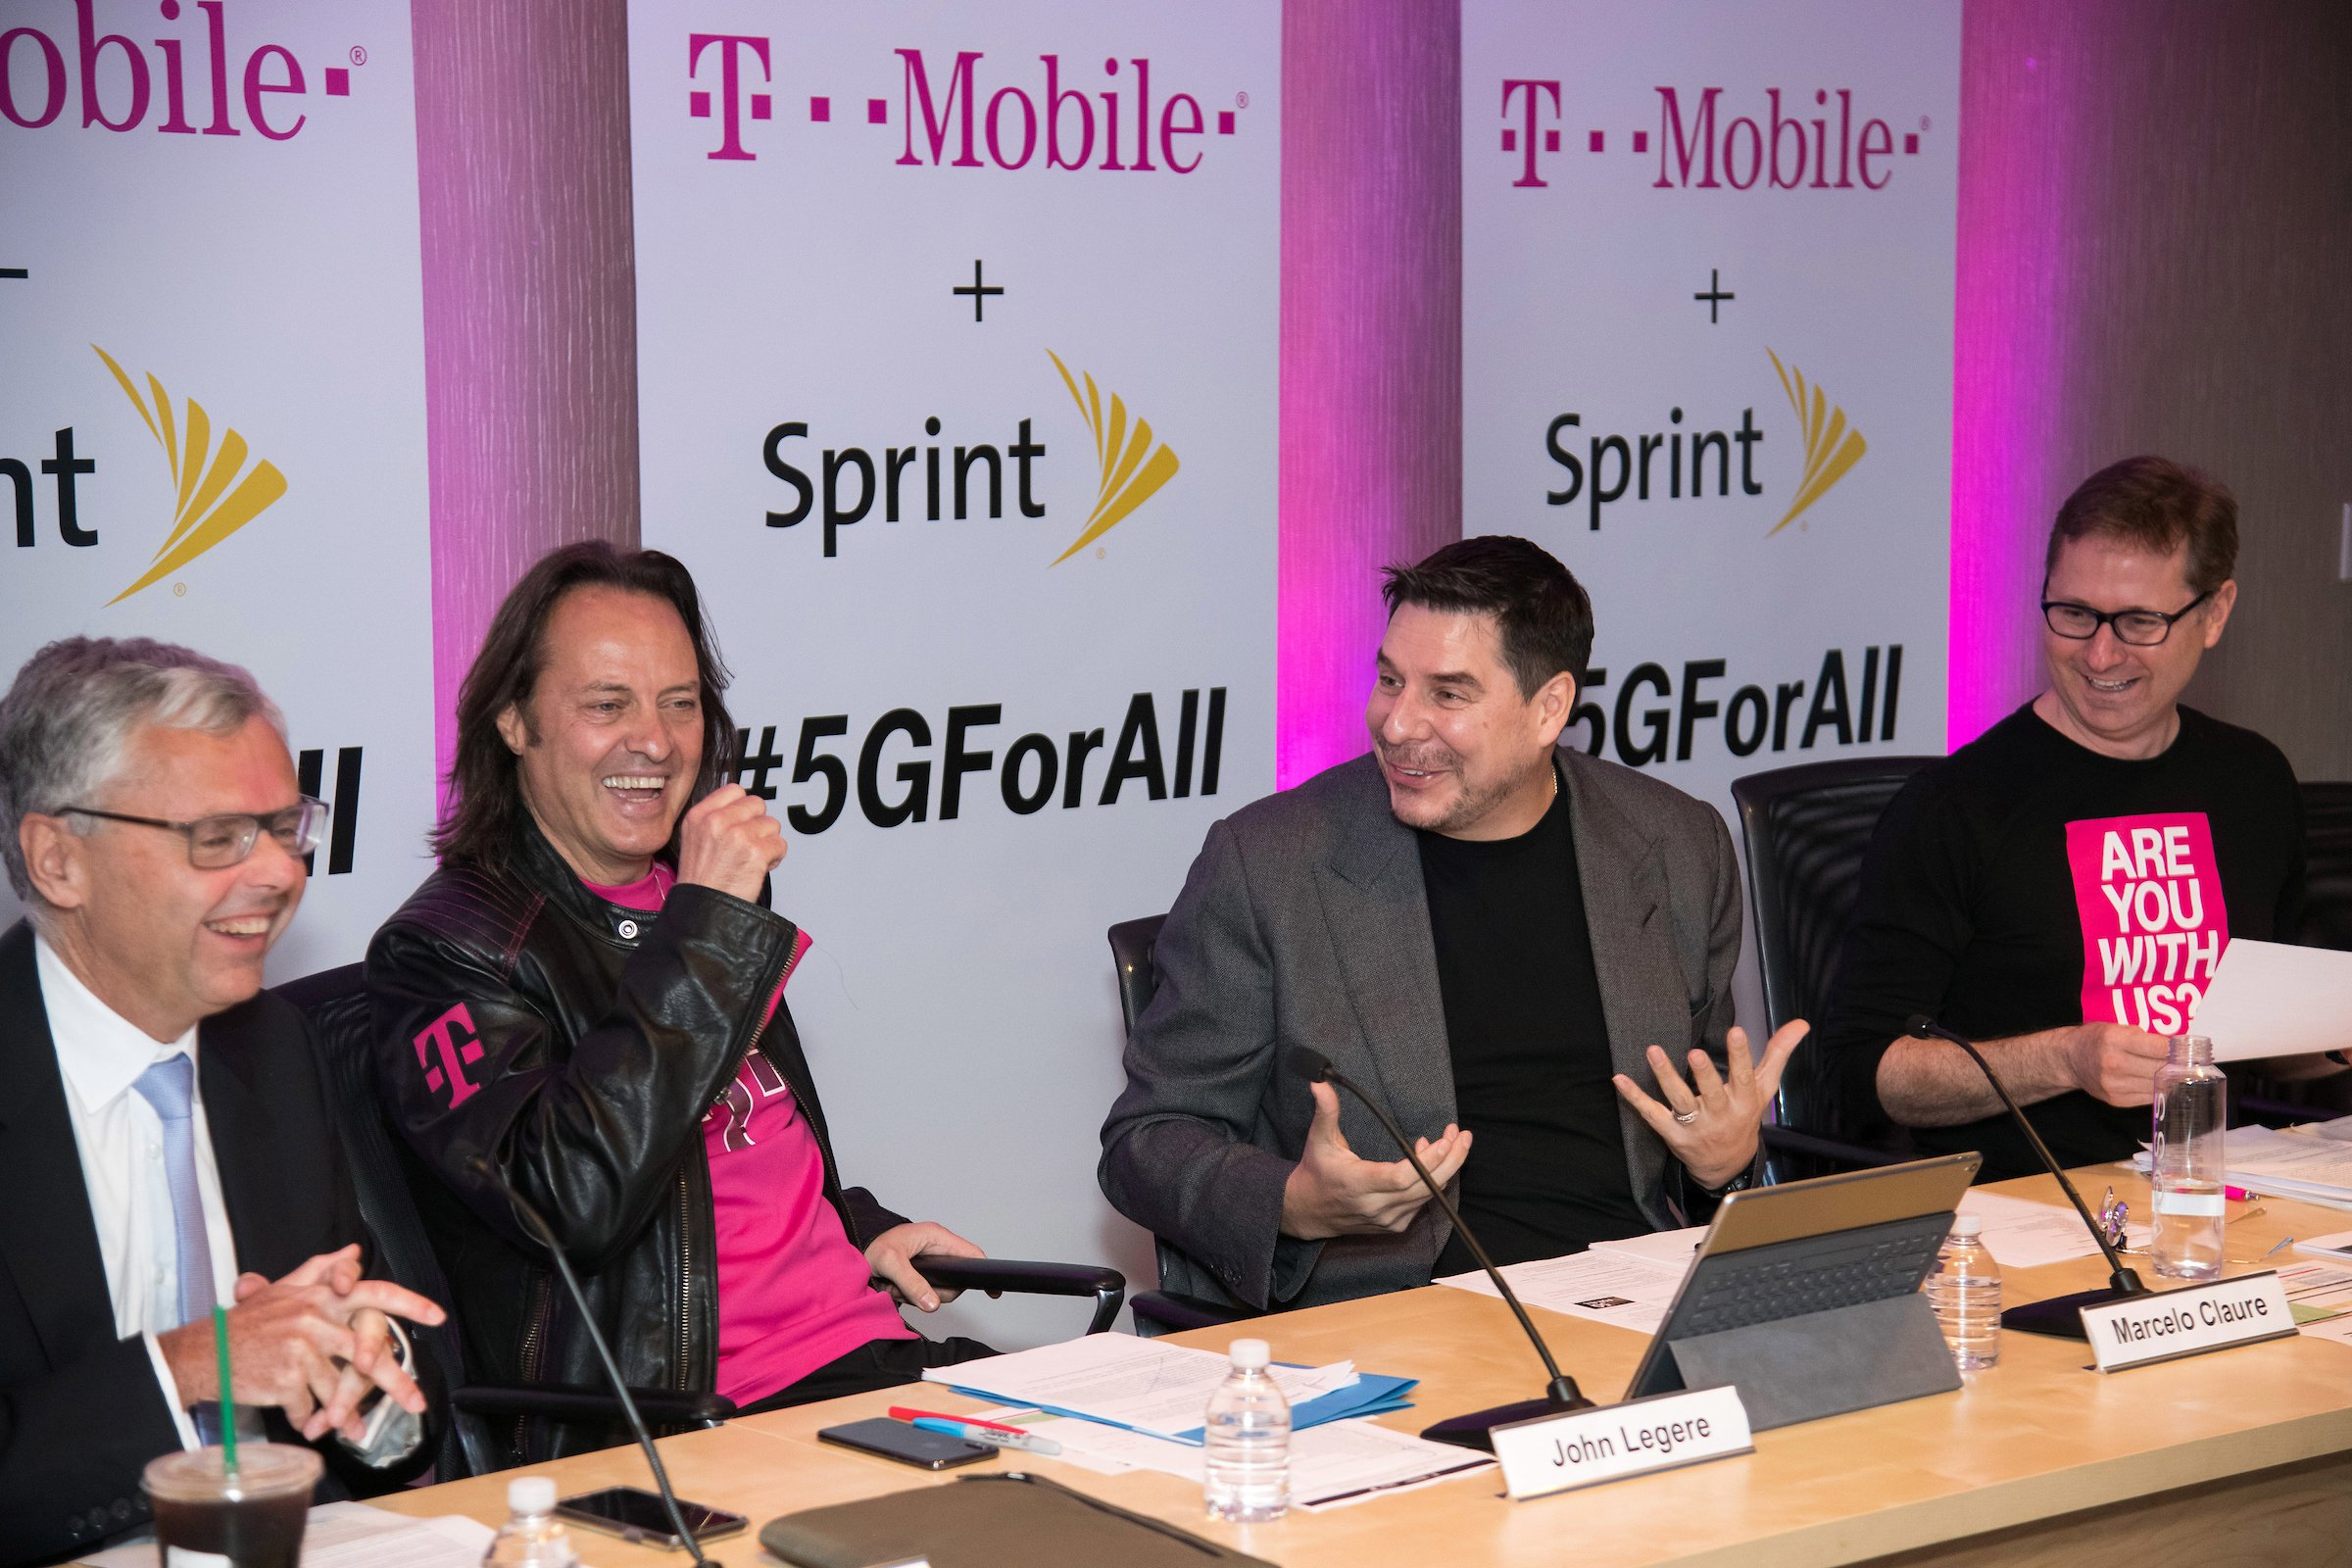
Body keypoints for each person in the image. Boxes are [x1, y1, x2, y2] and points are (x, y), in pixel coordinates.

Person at [367, 543, 995, 1464]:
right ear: (512, 720)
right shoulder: (447, 950)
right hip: (697, 1418)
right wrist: (704, 934)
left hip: (872, 1361)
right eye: (606, 705)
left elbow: (728, 1159)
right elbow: (568, 1200)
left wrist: (859, 1225)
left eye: (680, 703)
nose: (655, 743)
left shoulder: (697, 900)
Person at [1100, 536, 1804, 1312]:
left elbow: (1701, 1121)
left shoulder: (1677, 844)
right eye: (1390, 680)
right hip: (1401, 1314)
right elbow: (1150, 1138)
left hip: (1637, 1295)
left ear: (1549, 708)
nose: (1398, 724)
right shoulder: (1269, 864)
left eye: (1448, 694)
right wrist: (1295, 1203)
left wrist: (1726, 1164)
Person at [0, 638, 442, 1563]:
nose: (282, 874)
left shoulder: (273, 1051)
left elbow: (375, 1440)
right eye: (219, 838)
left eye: (285, 829)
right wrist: (189, 1366)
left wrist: (364, 1378)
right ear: (57, 860)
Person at [1820, 456, 2340, 1179]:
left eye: (2138, 621)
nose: (2099, 653)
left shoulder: (2252, 779)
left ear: (2215, 613)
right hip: (2021, 1213)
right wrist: (2064, 1059)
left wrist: (2339, 1033)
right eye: (2073, 614)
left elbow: (2272, 1033)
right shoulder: (1954, 806)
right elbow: (1859, 1069)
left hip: (2212, 1200)